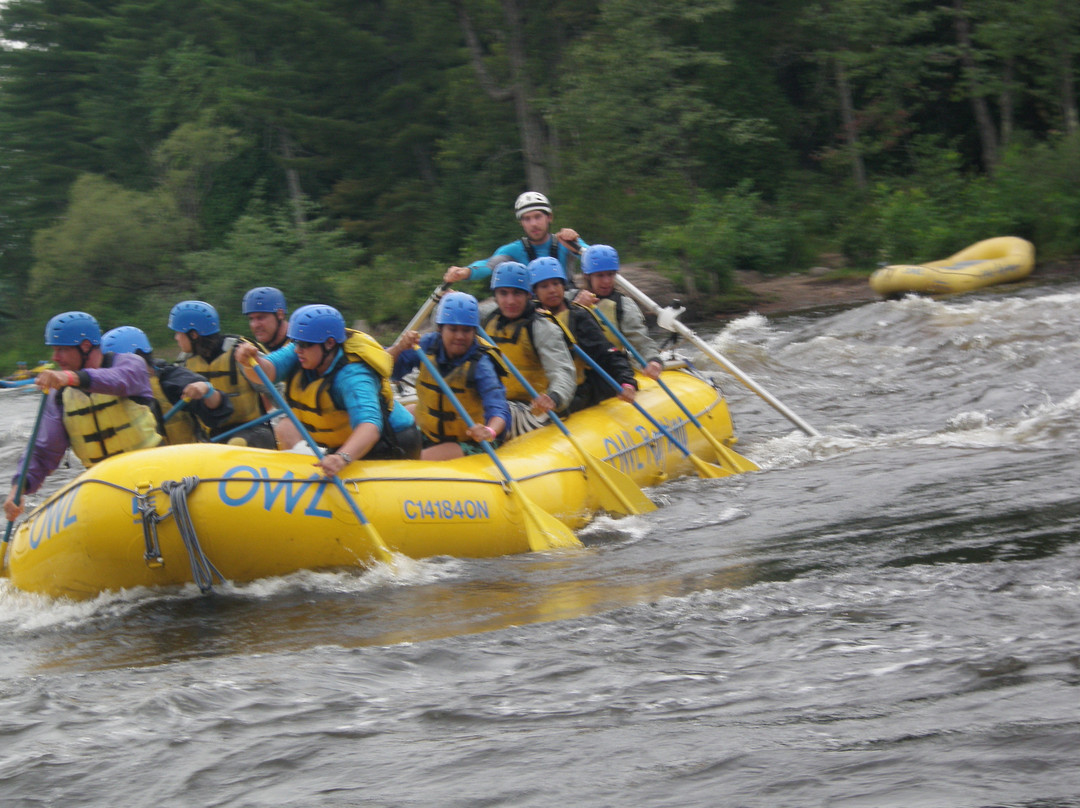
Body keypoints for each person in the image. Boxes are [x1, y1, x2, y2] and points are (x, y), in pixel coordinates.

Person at [4, 312, 162, 522]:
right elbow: (43, 451)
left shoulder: (131, 365)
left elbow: (118, 380)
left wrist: (69, 377)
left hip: (155, 474)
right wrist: (18, 488)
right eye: (54, 350)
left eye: (62, 350)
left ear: (86, 346)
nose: (55, 358)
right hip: (106, 485)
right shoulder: (60, 396)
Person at [234, 304, 421, 476]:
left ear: (330, 343)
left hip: (392, 443)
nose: (298, 349)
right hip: (343, 444)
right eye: (296, 343)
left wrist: (342, 458)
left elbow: (370, 427)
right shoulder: (302, 352)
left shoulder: (353, 376)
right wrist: (250, 362)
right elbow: (266, 372)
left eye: (305, 345)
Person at [389, 292, 510, 460]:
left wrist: (489, 430)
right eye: (453, 329)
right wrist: (399, 348)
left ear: (474, 331)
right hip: (430, 433)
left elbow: (498, 407)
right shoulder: (426, 345)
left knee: (418, 459)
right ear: (440, 329)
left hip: (468, 440)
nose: (460, 336)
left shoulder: (481, 364)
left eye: (466, 330)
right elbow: (389, 370)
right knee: (397, 424)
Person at [478, 261, 576, 438]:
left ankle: (485, 437)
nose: (510, 301)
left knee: (498, 411)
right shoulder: (486, 319)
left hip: (531, 410)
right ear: (495, 296)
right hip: (495, 403)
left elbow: (563, 371)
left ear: (528, 295)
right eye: (503, 293)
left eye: (517, 293)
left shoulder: (542, 328)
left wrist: (554, 397)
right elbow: (444, 322)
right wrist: (444, 299)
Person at [528, 257, 638, 412]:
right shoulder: (529, 320)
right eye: (544, 286)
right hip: (537, 393)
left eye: (556, 284)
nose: (552, 290)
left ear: (563, 285)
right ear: (535, 292)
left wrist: (626, 381)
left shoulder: (578, 317)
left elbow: (606, 352)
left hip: (575, 392)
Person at [168, 300, 276, 448]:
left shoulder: (240, 353)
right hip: (212, 438)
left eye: (178, 333)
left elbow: (276, 390)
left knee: (237, 444)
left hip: (254, 432)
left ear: (193, 335)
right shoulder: (184, 362)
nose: (176, 338)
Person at [100, 326, 234, 445]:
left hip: (184, 462)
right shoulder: (106, 394)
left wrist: (207, 390)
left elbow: (220, 411)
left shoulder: (170, 379)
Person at [443, 192, 584, 285]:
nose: (533, 224)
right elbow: (488, 266)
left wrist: (577, 248)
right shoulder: (513, 250)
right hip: (534, 312)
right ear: (521, 223)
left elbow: (595, 258)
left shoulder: (566, 241)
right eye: (527, 219)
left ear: (549, 217)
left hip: (567, 305)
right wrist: (465, 271)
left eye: (538, 217)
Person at [573, 244, 664, 380]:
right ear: (587, 275)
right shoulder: (569, 300)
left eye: (611, 274)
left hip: (610, 371)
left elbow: (641, 342)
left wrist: (654, 360)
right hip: (576, 373)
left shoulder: (623, 305)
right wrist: (576, 309)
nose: (607, 281)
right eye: (600, 275)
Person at [242, 286, 290, 352]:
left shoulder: (302, 348)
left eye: (260, 318)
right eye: (251, 319)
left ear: (280, 314)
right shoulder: (258, 351)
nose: (255, 325)